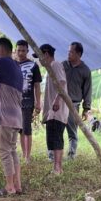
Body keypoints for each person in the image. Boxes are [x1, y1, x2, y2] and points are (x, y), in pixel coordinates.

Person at [0, 37, 23, 196]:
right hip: (16, 116)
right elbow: (6, 95)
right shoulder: (16, 66)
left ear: (1, 50)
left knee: (3, 151)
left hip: (6, 117)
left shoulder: (3, 62)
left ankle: (9, 186)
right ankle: (17, 185)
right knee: (12, 150)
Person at [38, 44, 68, 175]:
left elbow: (62, 82)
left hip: (57, 110)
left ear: (45, 54)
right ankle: (57, 168)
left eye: (39, 56)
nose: (39, 60)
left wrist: (57, 100)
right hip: (53, 111)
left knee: (56, 139)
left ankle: (57, 168)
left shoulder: (55, 64)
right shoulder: (50, 69)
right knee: (54, 139)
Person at [62, 41, 92, 159]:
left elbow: (87, 90)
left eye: (71, 52)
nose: (68, 54)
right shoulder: (63, 65)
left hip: (73, 104)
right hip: (60, 102)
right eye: (68, 51)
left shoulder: (85, 70)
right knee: (57, 130)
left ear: (79, 54)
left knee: (72, 131)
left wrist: (86, 108)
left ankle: (71, 154)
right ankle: (55, 154)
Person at [15, 40, 42, 162]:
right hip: (14, 102)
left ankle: (28, 155)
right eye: (18, 50)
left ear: (27, 51)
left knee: (27, 128)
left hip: (28, 101)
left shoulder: (33, 65)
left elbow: (37, 86)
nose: (20, 53)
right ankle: (23, 153)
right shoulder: (12, 65)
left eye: (23, 50)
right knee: (20, 129)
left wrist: (38, 102)